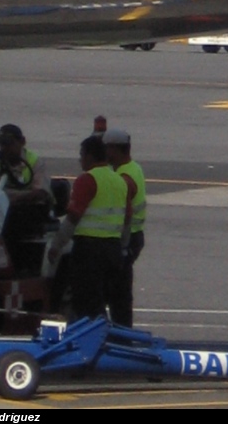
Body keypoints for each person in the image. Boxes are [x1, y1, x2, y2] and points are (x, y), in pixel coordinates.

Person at [48, 135, 130, 320]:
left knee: (86, 303)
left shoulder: (87, 180)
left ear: (90, 157)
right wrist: (123, 248)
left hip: (90, 250)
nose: (80, 160)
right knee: (101, 301)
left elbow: (73, 217)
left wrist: (56, 245)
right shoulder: (119, 181)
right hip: (113, 250)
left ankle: (94, 342)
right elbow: (127, 219)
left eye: (81, 155)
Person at [0, 124, 53, 269]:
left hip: (30, 210)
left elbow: (41, 192)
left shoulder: (35, 161)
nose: (5, 148)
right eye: (2, 144)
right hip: (1, 209)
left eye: (9, 144)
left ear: (22, 142)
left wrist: (14, 200)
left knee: (12, 224)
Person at [103, 127, 146, 327]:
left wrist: (122, 245)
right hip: (132, 237)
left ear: (115, 150)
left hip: (128, 238)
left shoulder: (125, 178)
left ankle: (121, 334)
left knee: (118, 290)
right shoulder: (130, 168)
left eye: (107, 148)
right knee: (116, 289)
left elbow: (126, 214)